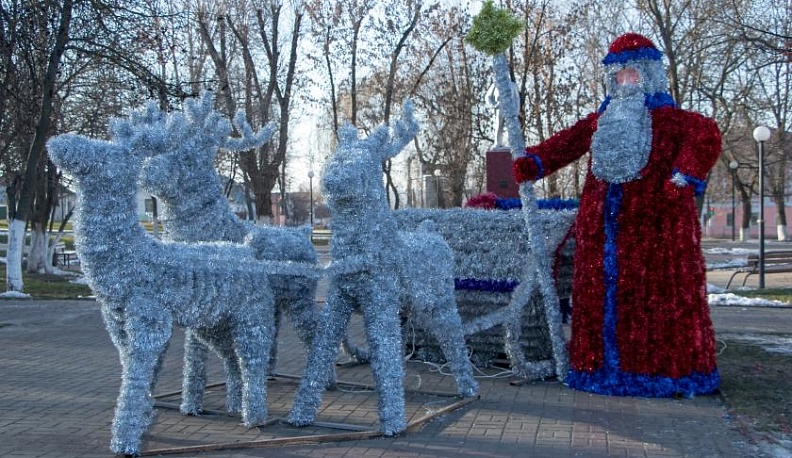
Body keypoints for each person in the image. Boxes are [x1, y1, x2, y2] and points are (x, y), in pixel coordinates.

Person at [513, 33, 721, 397]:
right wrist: (535, 162)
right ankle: (597, 367)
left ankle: (656, 373)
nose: (626, 81)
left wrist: (684, 176)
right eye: (620, 75)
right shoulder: (601, 120)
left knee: (649, 299)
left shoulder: (672, 120)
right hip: (600, 233)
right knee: (599, 297)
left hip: (654, 232)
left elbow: (706, 136)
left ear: (650, 74)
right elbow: (567, 142)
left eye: (633, 74)